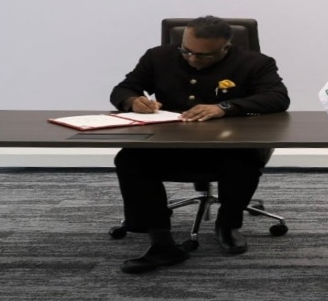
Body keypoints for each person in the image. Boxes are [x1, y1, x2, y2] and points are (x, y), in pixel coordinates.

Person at [109, 16, 290, 274]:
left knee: (244, 161)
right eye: (187, 51)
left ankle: (228, 224)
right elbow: (123, 89)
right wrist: (133, 100)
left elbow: (277, 98)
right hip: (170, 143)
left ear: (225, 48)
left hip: (228, 145)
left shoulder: (255, 62)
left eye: (205, 55)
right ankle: (161, 241)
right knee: (129, 159)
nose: (193, 59)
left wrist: (224, 107)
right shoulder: (157, 57)